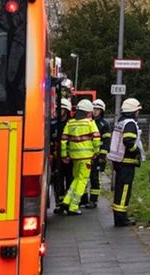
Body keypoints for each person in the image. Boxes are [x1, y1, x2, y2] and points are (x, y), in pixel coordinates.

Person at [59, 99, 101, 215]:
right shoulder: (90, 123)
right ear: (88, 112)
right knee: (82, 181)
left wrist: (64, 155)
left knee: (76, 179)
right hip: (86, 157)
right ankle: (73, 206)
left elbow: (63, 141)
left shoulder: (70, 123)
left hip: (74, 157)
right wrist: (96, 152)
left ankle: (66, 201)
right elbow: (97, 139)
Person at [108, 97, 144, 227]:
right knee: (124, 190)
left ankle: (119, 215)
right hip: (126, 162)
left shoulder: (121, 122)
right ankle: (121, 218)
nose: (138, 114)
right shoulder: (130, 123)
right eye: (137, 111)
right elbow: (128, 141)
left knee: (120, 189)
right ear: (133, 111)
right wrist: (137, 152)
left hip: (119, 161)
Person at [85, 99, 112, 209]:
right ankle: (83, 199)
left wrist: (102, 156)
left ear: (102, 111)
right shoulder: (88, 122)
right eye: (94, 109)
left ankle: (93, 200)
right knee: (84, 178)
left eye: (97, 109)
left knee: (94, 178)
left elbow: (106, 142)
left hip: (97, 156)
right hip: (86, 154)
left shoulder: (104, 124)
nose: (95, 111)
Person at [49, 97, 73, 209]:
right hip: (56, 156)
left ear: (67, 110)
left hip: (69, 156)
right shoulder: (53, 123)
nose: (60, 111)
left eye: (62, 109)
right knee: (57, 179)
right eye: (58, 109)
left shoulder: (72, 124)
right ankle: (59, 203)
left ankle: (68, 202)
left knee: (70, 179)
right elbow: (48, 139)